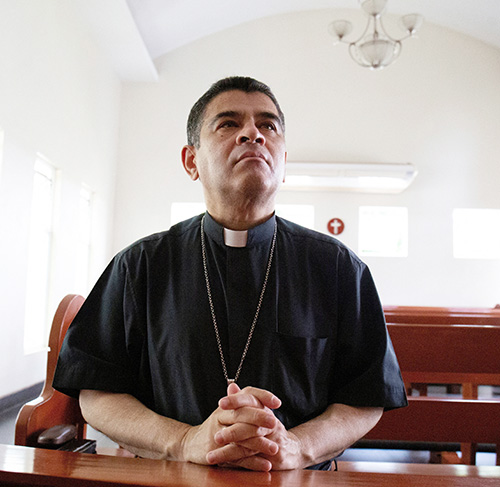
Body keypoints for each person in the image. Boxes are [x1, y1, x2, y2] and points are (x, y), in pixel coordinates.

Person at [53, 76, 407, 472]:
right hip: (171, 479)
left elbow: (365, 395)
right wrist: (182, 441)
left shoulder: (338, 267)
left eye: (268, 125)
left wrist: (298, 447)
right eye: (229, 123)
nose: (252, 133)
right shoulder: (140, 265)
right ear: (191, 161)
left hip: (298, 480)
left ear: (283, 162)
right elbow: (96, 392)